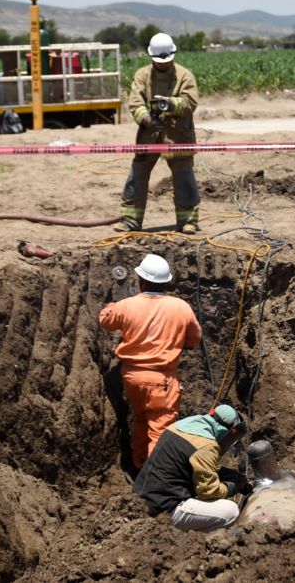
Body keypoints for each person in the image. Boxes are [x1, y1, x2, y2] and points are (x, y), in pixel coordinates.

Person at [99, 253, 201, 468]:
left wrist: (112, 304)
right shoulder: (180, 307)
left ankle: (140, 467)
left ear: (142, 280)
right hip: (161, 379)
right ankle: (155, 480)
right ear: (166, 282)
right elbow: (193, 340)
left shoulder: (127, 305)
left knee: (141, 420)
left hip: (132, 377)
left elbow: (106, 321)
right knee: (160, 429)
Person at [116, 32, 201, 234]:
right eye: (159, 61)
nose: (163, 64)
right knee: (137, 175)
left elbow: (191, 102)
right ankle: (130, 220)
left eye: (166, 60)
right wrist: (147, 118)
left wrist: (171, 104)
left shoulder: (185, 76)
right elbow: (135, 102)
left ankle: (187, 220)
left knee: (184, 177)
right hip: (150, 134)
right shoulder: (142, 76)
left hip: (178, 135)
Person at [132, 404, 250, 532]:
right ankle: (195, 542)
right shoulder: (206, 445)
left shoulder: (180, 425)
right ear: (227, 432)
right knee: (230, 511)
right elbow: (209, 491)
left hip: (141, 500)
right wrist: (233, 486)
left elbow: (185, 466)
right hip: (164, 510)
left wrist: (220, 474)